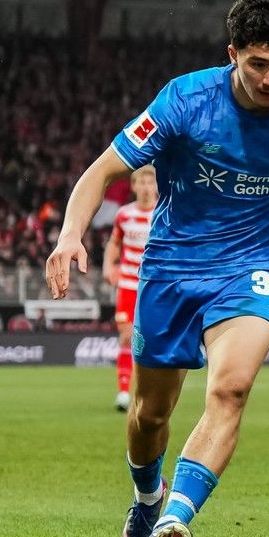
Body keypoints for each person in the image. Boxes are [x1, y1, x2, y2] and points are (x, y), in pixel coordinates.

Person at [45, 0, 269, 537]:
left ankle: (175, 519)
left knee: (231, 389)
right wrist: (70, 236)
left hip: (256, 268)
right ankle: (148, 499)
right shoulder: (185, 99)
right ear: (232, 54)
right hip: (172, 268)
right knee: (150, 414)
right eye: (259, 64)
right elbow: (103, 170)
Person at [102, 164, 159, 413]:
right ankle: (124, 392)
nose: (146, 187)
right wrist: (108, 266)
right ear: (134, 186)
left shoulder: (164, 212)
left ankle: (150, 391)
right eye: (141, 182)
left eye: (150, 182)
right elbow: (114, 243)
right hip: (128, 283)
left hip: (155, 284)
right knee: (126, 336)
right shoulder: (124, 214)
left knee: (154, 338)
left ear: (156, 185)